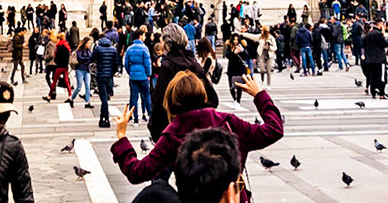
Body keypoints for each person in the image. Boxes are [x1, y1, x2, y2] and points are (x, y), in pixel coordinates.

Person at [112, 72, 281, 196]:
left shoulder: (172, 134)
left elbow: (137, 171)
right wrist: (260, 95)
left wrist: (122, 137)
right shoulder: (228, 123)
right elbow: (274, 129)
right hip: (233, 197)